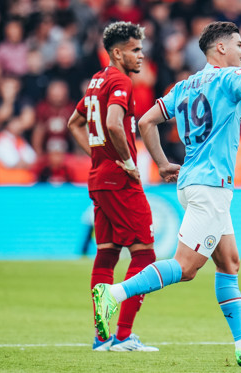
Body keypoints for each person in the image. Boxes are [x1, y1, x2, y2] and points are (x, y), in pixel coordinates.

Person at [92, 21, 241, 366]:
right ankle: (114, 293)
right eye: (239, 45)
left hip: (193, 181)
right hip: (210, 187)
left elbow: (146, 122)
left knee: (229, 262)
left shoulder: (184, 85)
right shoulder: (228, 79)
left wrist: (163, 162)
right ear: (221, 49)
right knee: (185, 268)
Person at [66, 21, 158, 352]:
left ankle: (102, 337)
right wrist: (127, 163)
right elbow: (113, 124)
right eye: (135, 50)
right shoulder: (119, 81)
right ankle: (122, 335)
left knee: (106, 256)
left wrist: (98, 154)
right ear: (117, 53)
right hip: (119, 179)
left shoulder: (96, 81)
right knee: (145, 255)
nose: (141, 55)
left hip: (99, 177)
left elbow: (74, 123)